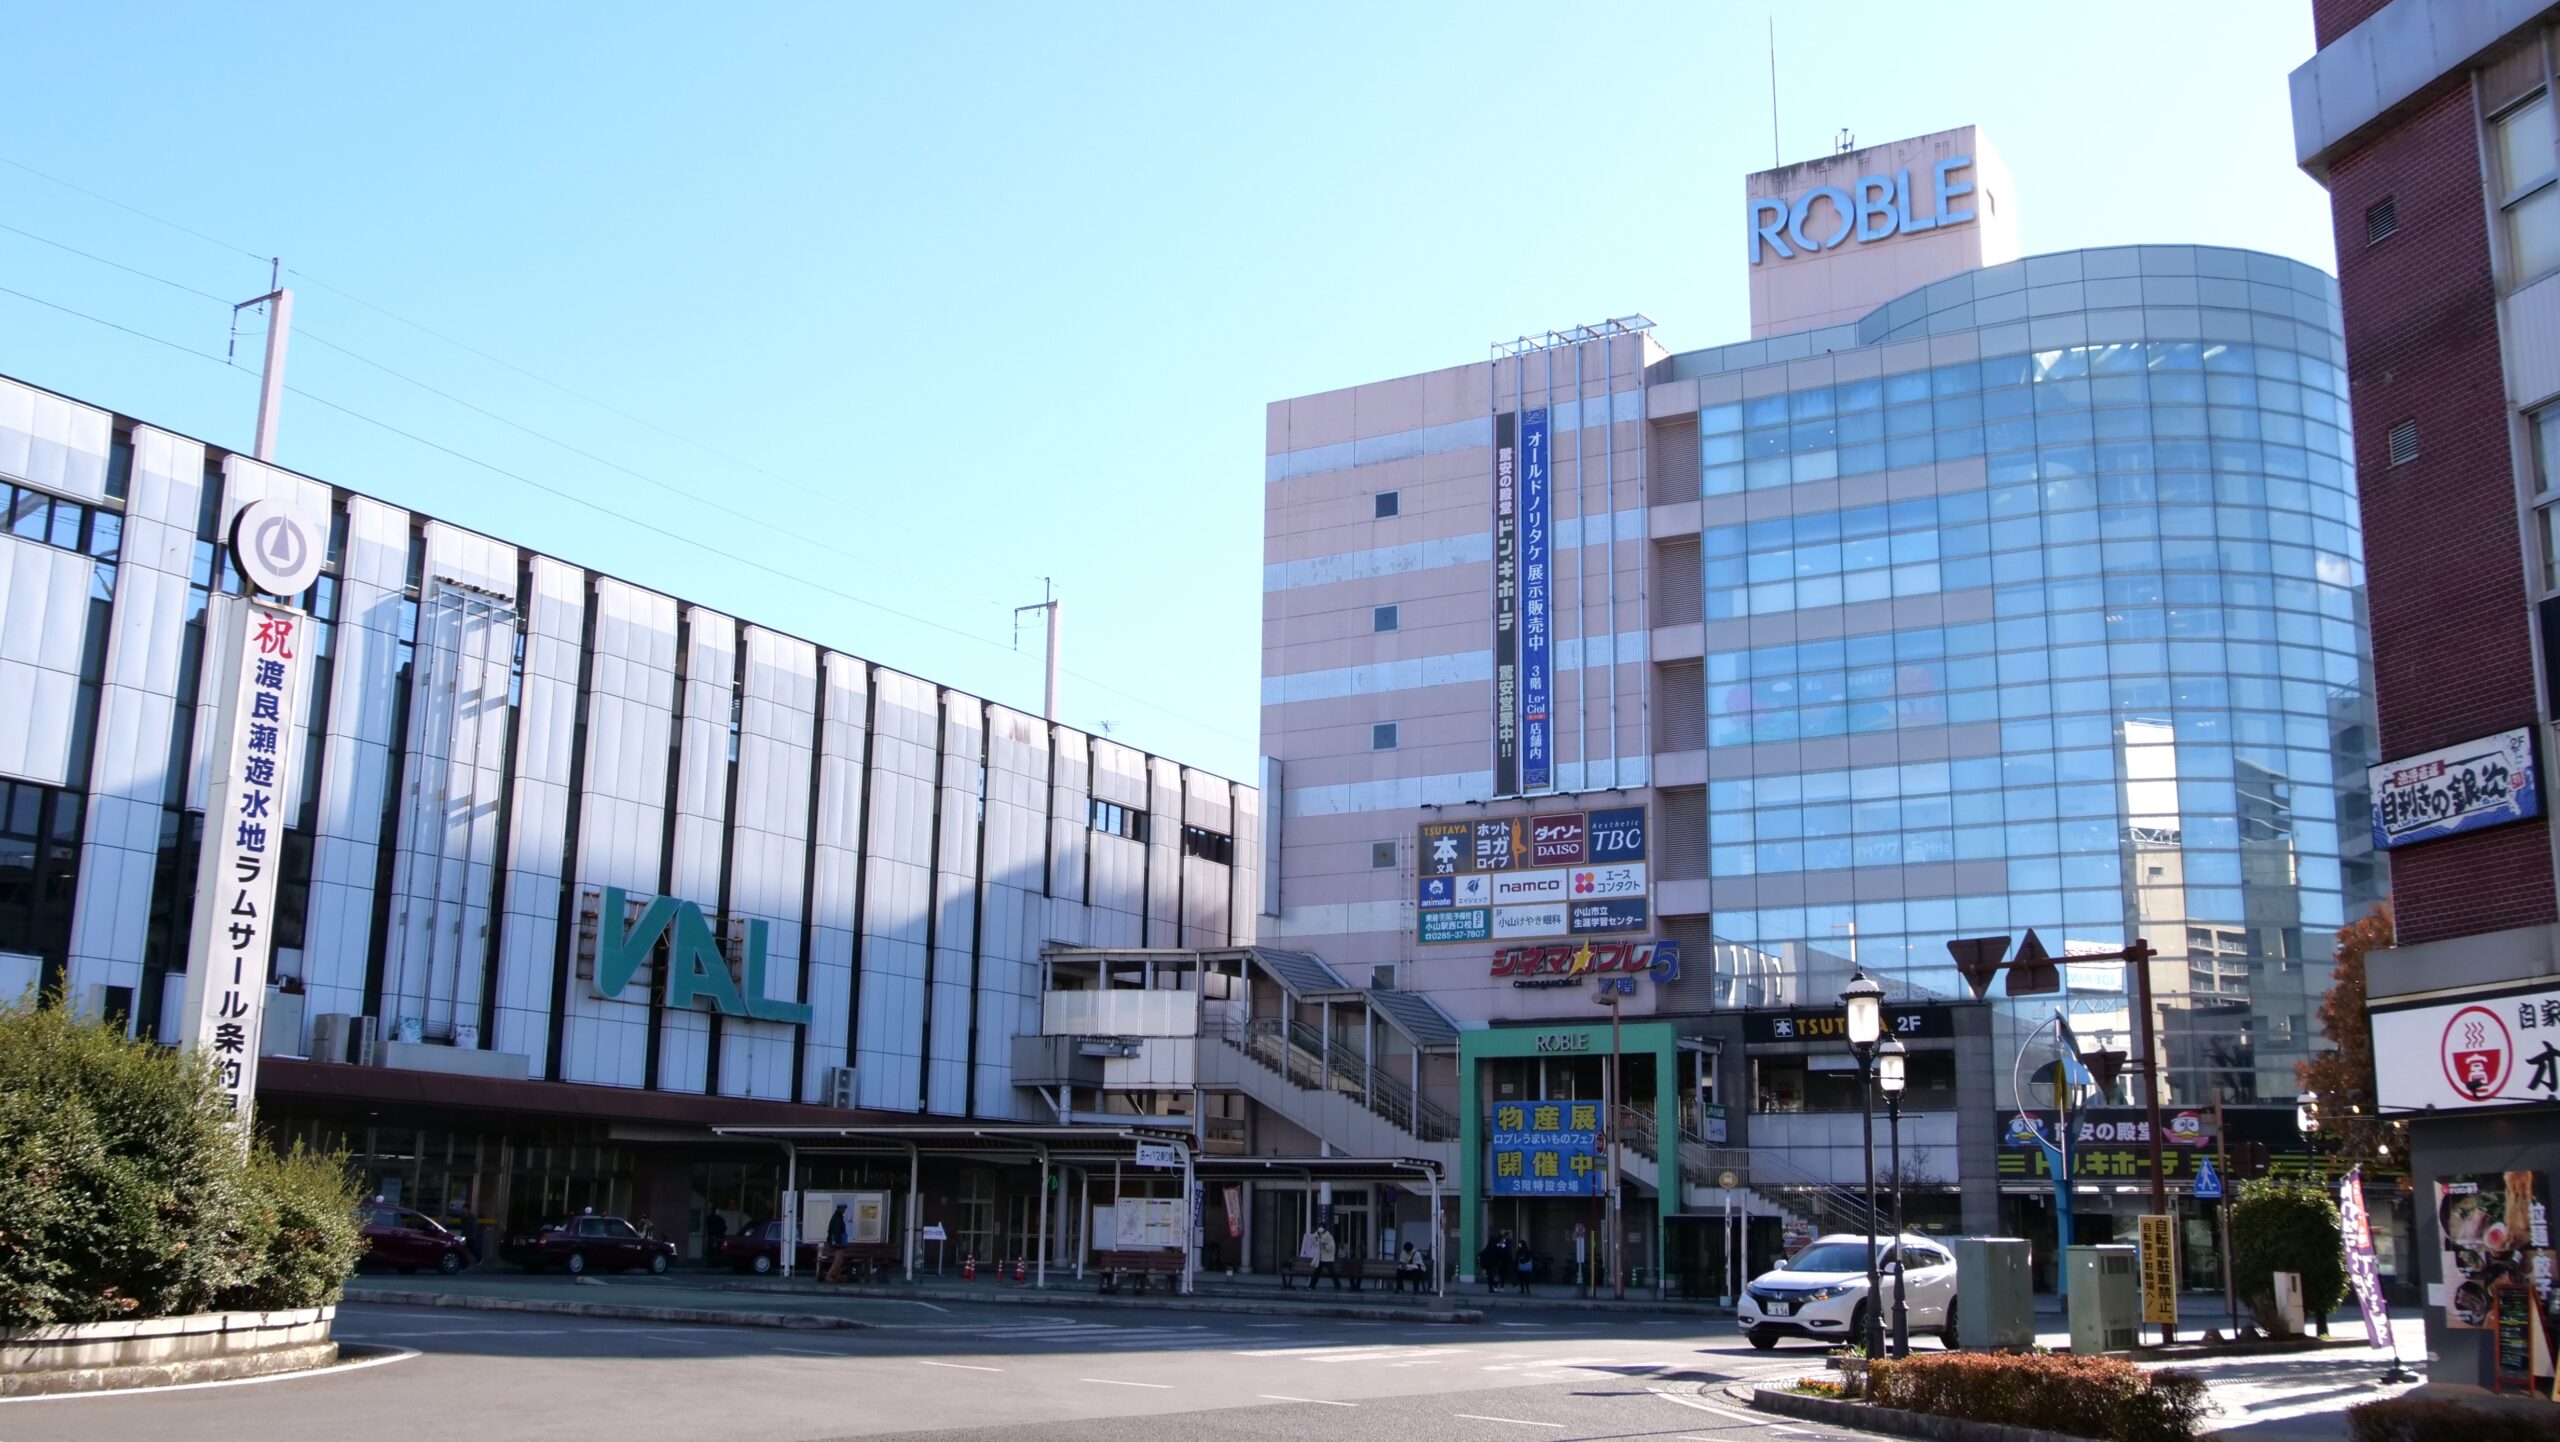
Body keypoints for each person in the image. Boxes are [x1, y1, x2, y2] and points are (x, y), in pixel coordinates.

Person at [1289, 1225, 1321, 1290]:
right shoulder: (1318, 1242)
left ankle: (1308, 1284)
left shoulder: (1312, 1240)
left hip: (1309, 1265)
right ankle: (1309, 1284)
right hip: (1313, 1265)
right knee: (1312, 1269)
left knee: (1310, 1269)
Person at [1312, 1224, 1342, 1290]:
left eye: (1322, 1227)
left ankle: (1338, 1285)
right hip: (1321, 1257)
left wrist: (1324, 1247)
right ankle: (1312, 1286)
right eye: (1319, 1227)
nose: (1320, 1229)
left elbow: (1332, 1247)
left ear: (1325, 1229)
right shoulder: (1318, 1235)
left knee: (1332, 1272)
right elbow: (1314, 1241)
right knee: (1317, 1272)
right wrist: (1316, 1236)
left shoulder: (1329, 1237)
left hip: (1328, 1258)